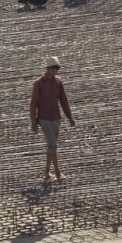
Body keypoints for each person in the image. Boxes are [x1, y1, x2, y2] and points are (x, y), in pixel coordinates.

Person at [28, 56, 75, 184]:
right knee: (53, 145)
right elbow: (33, 103)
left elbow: (63, 100)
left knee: (51, 147)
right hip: (44, 119)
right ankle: (58, 172)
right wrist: (34, 121)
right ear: (47, 69)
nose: (55, 71)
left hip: (56, 118)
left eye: (56, 69)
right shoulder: (38, 83)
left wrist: (70, 117)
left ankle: (47, 172)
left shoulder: (58, 82)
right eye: (53, 69)